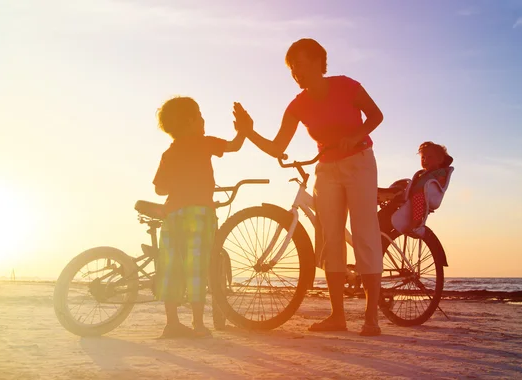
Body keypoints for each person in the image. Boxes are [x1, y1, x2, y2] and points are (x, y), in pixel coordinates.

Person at [233, 38, 384, 336]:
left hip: (360, 163)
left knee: (365, 234)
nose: (297, 73)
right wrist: (248, 132)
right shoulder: (297, 105)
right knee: (330, 239)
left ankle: (371, 318)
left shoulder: (347, 86)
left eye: (301, 64)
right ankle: (337, 316)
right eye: (292, 68)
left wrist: (356, 136)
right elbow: (278, 147)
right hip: (326, 168)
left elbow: (376, 116)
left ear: (319, 62)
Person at [152, 96, 246, 338]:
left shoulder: (169, 153)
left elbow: (159, 189)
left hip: (172, 214)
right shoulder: (204, 142)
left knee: (171, 266)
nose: (204, 120)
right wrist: (244, 130)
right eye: (201, 115)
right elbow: (235, 146)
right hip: (200, 214)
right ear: (192, 121)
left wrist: (179, 181)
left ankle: (171, 323)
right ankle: (198, 324)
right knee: (197, 267)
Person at [409, 142, 452, 227]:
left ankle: (416, 222)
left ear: (440, 160)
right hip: (413, 194)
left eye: (429, 157)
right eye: (423, 157)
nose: (425, 160)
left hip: (427, 196)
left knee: (418, 198)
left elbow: (441, 183)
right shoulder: (422, 174)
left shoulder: (439, 172)